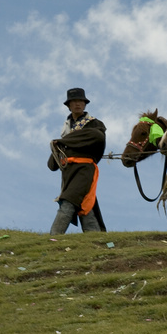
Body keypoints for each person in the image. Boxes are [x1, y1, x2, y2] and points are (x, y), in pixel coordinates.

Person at [47, 88, 107, 234]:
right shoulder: (66, 127)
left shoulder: (94, 123)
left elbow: (98, 137)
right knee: (85, 204)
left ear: (85, 104)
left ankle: (53, 237)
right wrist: (57, 149)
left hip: (85, 170)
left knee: (68, 201)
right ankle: (95, 238)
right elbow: (52, 165)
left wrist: (64, 141)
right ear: (69, 105)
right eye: (74, 101)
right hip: (69, 172)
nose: (78, 104)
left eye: (80, 101)